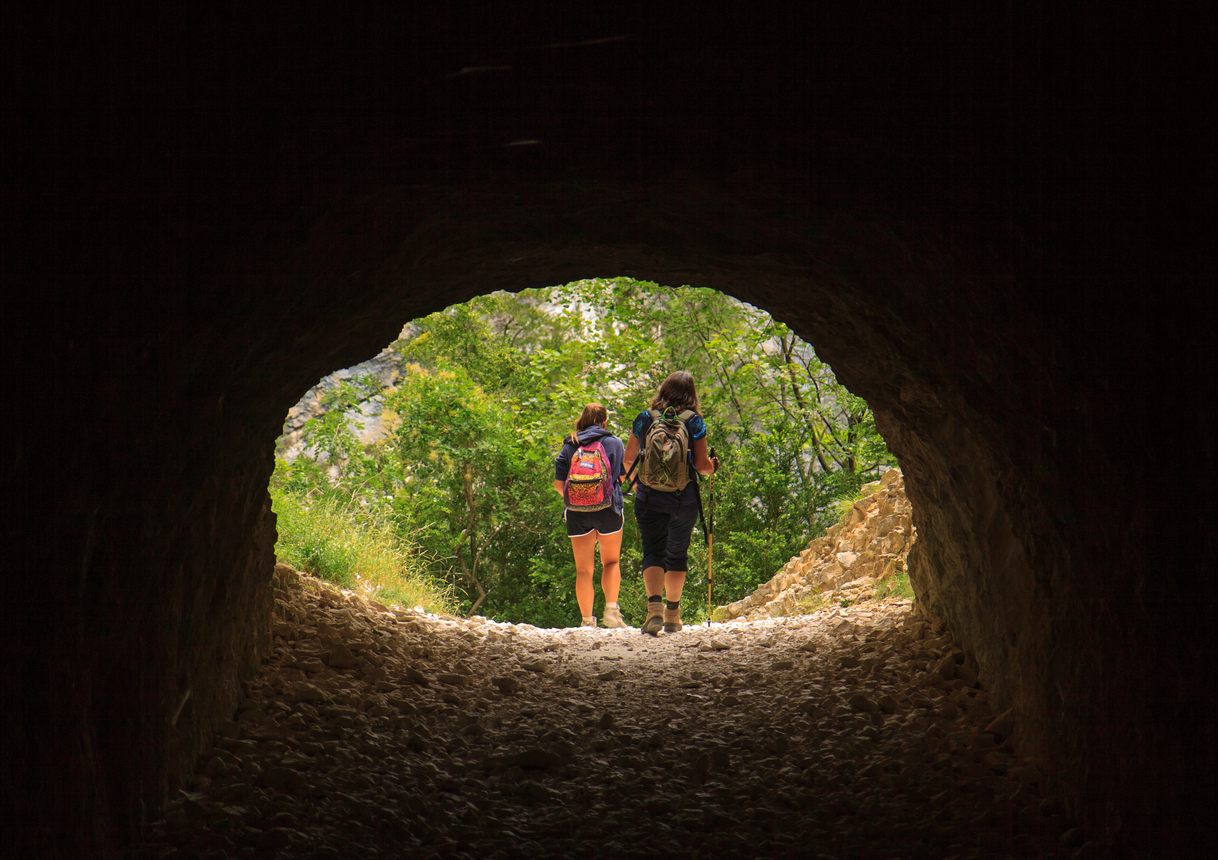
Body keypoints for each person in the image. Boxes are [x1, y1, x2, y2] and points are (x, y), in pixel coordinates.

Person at [622, 371, 719, 635]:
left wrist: (637, 479)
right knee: (676, 554)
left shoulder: (645, 418)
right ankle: (673, 616)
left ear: (663, 390)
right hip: (682, 500)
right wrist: (712, 467)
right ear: (692, 394)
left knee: (653, 551)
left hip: (648, 496)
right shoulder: (694, 422)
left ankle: (654, 611)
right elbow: (701, 467)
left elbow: (628, 458)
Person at [553, 403, 628, 628]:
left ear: (582, 421)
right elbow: (621, 479)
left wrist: (580, 497)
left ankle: (587, 621)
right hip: (608, 511)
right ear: (604, 422)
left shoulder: (569, 445)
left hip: (577, 514)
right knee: (611, 561)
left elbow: (559, 486)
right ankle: (611, 611)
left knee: (584, 569)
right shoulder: (614, 443)